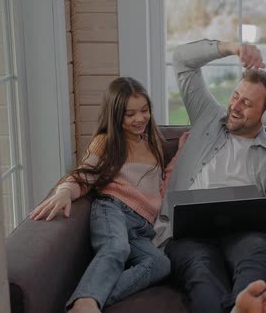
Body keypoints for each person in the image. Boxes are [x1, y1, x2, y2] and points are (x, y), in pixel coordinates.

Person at [154, 39, 266, 313]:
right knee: (201, 270)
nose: (235, 106)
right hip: (188, 234)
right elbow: (183, 60)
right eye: (235, 96)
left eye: (247, 104)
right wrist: (231, 48)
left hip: (244, 235)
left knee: (258, 252)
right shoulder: (208, 116)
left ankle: (246, 306)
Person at [29, 77, 186, 313]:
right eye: (130, 114)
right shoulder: (107, 142)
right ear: (115, 116)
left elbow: (163, 184)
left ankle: (91, 297)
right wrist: (64, 191)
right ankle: (85, 303)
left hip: (142, 226)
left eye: (144, 111)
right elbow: (85, 174)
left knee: (160, 264)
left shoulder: (153, 141)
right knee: (116, 248)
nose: (139, 119)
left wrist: (184, 151)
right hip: (113, 209)